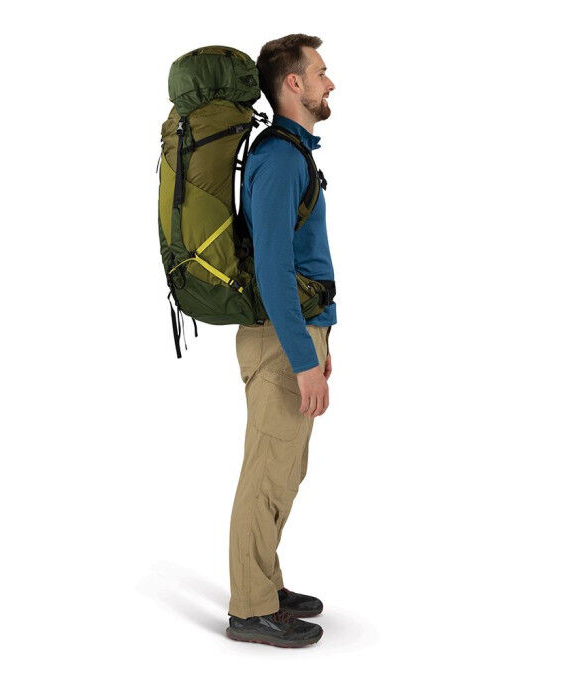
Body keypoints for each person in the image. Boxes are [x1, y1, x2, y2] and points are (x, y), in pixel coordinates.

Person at [226, 34, 337, 648]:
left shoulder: (293, 153)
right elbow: (272, 269)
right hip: (279, 341)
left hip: (294, 335)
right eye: (320, 71)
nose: (330, 82)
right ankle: (250, 609)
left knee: (284, 471)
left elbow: (301, 258)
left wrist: (321, 346)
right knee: (266, 475)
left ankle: (264, 585)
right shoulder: (281, 158)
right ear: (293, 83)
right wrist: (302, 357)